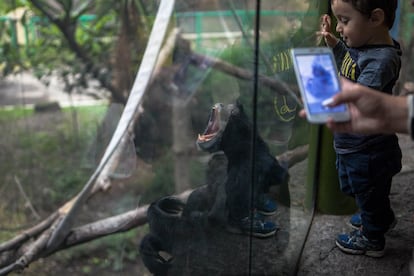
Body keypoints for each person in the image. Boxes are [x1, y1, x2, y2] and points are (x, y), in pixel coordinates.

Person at [317, 0, 402, 257]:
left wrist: (324, 94)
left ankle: (372, 238)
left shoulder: (382, 60)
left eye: (345, 21)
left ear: (375, 18)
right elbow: (349, 64)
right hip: (354, 145)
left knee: (367, 190)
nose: (340, 28)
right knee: (358, 189)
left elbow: (360, 100)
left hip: (369, 150)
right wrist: (333, 42)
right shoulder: (363, 46)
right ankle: (378, 216)